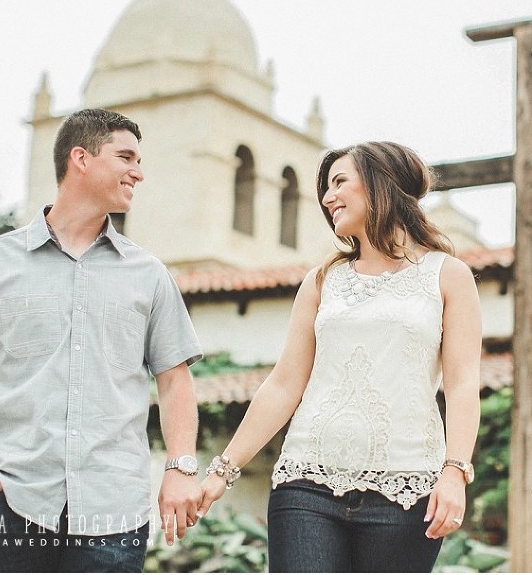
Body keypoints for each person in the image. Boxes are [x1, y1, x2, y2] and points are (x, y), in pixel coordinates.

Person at [0, 108, 204, 572]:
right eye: (126, 157)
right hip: (14, 504)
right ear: (81, 158)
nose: (139, 172)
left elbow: (175, 381)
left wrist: (180, 467)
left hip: (114, 512)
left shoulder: (149, 275)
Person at [198, 141, 482, 572]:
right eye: (325, 188)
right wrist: (223, 470)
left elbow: (462, 385)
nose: (328, 198)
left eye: (339, 182)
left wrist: (455, 472)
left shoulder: (448, 276)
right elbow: (285, 382)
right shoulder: (322, 281)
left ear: (379, 184)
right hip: (306, 482)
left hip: (404, 492)